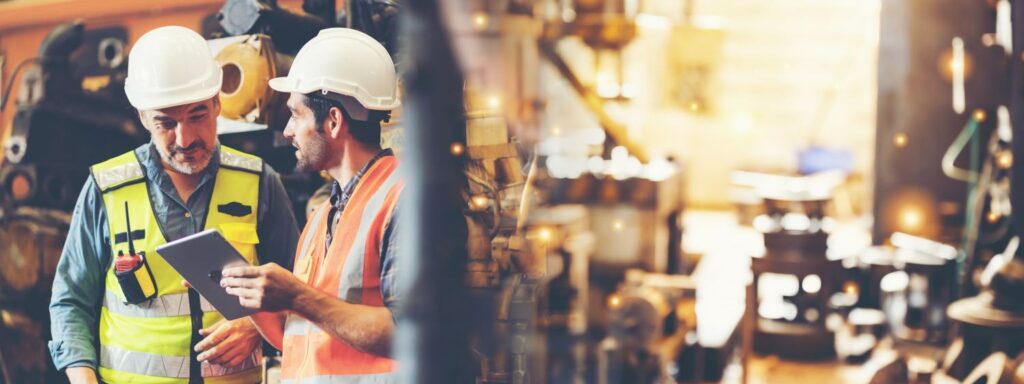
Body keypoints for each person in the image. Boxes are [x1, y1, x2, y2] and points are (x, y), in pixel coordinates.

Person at [48, 26, 299, 384]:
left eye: (197, 115)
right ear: (143, 118)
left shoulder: (260, 182)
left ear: (217, 103)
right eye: (166, 122)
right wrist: (82, 378)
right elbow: (70, 301)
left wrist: (256, 328)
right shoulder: (107, 189)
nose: (185, 139)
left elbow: (300, 291)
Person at [217, 28, 403, 383]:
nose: (287, 131)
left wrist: (297, 296)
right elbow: (299, 339)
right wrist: (245, 295)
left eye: (296, 115)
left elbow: (410, 334)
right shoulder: (322, 218)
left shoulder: (401, 198)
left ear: (332, 120)